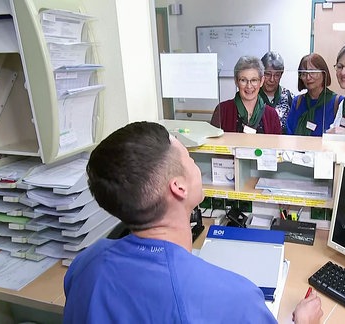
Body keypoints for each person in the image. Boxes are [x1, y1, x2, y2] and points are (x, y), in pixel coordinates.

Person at [63, 121, 322, 323]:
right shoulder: (235, 299)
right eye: (189, 158)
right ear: (178, 187)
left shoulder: (85, 264)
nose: (196, 166)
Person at [211, 56, 282, 134]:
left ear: (261, 81)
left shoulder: (271, 114)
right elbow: (212, 144)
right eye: (243, 80)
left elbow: (276, 145)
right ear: (236, 81)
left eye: (254, 80)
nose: (249, 86)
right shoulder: (222, 110)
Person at [286, 53, 343, 136]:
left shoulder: (337, 102)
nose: (308, 77)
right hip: (297, 148)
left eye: (312, 72)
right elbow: (289, 132)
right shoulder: (298, 101)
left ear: (324, 73)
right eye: (304, 74)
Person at [260, 51, 294, 134]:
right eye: (268, 74)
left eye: (277, 75)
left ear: (281, 75)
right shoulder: (253, 96)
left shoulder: (289, 97)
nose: (272, 79)